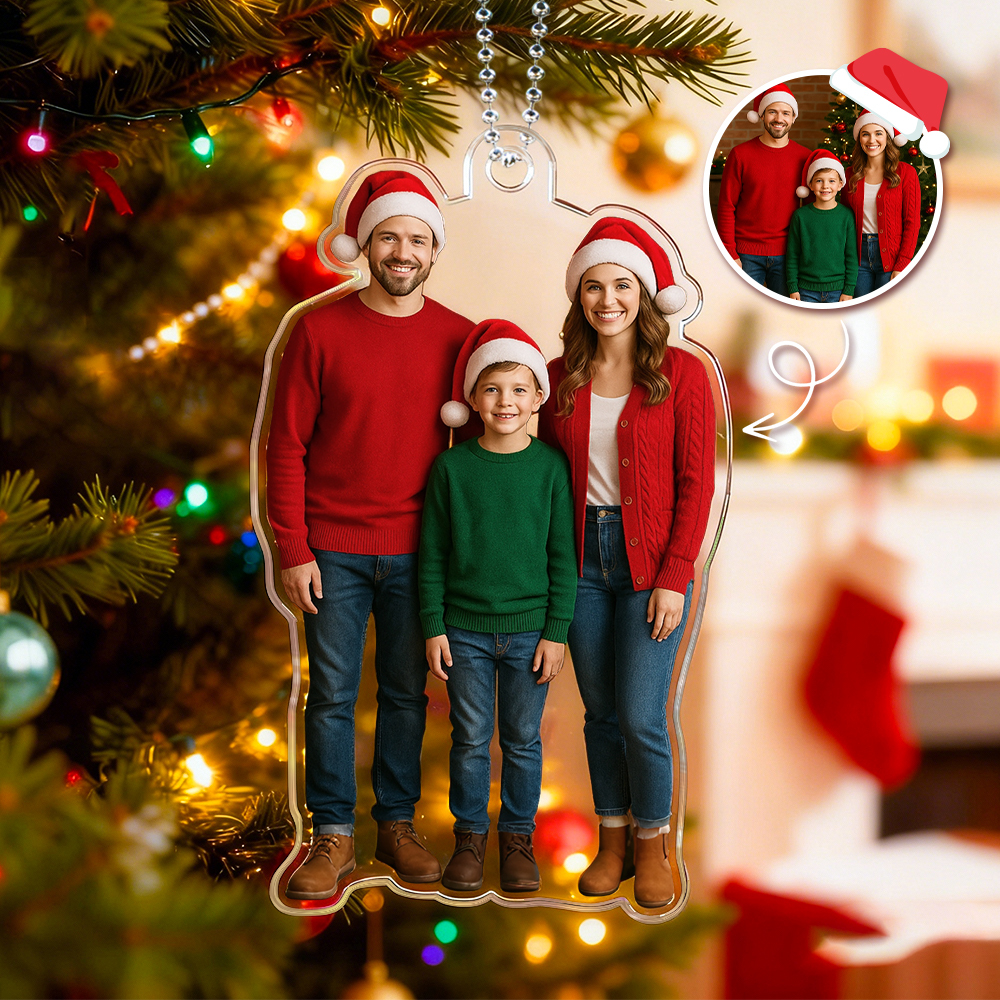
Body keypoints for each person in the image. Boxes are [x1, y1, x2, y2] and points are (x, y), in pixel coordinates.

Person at [266, 169, 475, 899]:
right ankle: (331, 835)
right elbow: (284, 444)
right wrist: (292, 546)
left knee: (407, 694)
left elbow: (484, 455)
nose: (403, 250)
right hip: (333, 552)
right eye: (390, 236)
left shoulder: (459, 338)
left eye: (417, 238)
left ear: (433, 250)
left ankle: (397, 823)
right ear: (367, 244)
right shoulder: (318, 329)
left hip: (420, 554)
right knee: (329, 694)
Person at [538, 218, 715, 910]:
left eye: (620, 285)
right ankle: (611, 843)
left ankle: (653, 844)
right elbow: (543, 479)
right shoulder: (556, 379)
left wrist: (674, 575)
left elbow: (697, 484)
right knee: (600, 714)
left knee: (642, 715)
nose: (607, 299)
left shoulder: (684, 375)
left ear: (643, 294)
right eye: (593, 286)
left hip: (651, 566)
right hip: (579, 563)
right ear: (578, 297)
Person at [421, 320, 577, 894]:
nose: (504, 402)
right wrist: (433, 627)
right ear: (471, 399)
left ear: (538, 397)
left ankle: (517, 839)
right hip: (462, 630)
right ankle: (469, 839)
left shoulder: (550, 470)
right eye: (491, 389)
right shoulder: (451, 471)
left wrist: (555, 632)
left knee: (522, 738)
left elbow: (564, 559)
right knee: (468, 736)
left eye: (517, 390)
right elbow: (432, 557)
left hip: (530, 632)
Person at [716, 83, 811, 295]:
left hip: (789, 255)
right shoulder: (740, 155)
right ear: (761, 115)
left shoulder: (805, 157)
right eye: (772, 112)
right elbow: (726, 207)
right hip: (745, 255)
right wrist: (730, 253)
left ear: (793, 117)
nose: (779, 119)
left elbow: (816, 210)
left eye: (786, 113)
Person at [840, 110, 921, 297]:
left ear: (888, 138)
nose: (871, 140)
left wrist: (903, 263)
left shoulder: (906, 173)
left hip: (891, 259)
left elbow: (912, 222)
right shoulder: (849, 175)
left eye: (878, 133)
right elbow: (845, 220)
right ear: (859, 139)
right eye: (865, 134)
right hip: (857, 259)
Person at [786, 150, 858, 304]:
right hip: (805, 290)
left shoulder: (846, 216)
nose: (825, 186)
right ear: (810, 185)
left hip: (838, 291)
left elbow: (851, 256)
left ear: (840, 185)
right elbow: (792, 254)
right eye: (819, 181)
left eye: (831, 181)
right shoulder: (800, 216)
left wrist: (849, 289)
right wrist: (793, 287)